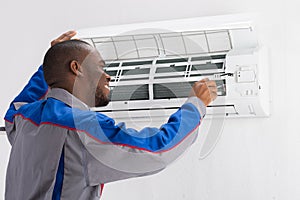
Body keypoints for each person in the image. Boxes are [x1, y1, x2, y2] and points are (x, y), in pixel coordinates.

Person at [4, 31, 217, 200]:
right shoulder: (82, 128)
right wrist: (195, 105)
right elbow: (156, 149)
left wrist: (49, 68)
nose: (108, 75)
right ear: (76, 68)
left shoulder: (24, 119)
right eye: (100, 67)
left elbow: (14, 110)